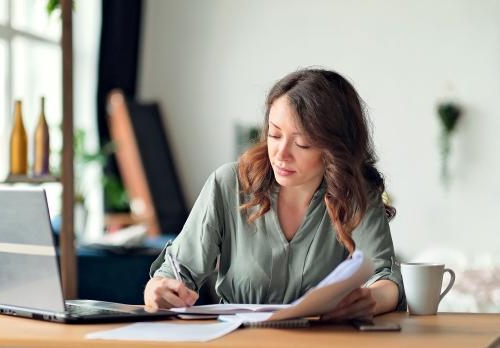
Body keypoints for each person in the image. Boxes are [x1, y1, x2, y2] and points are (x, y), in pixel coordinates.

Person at [144, 68, 405, 320]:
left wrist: (371, 299)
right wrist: (158, 289)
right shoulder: (228, 184)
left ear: (335, 149)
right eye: (274, 134)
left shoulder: (356, 193)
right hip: (239, 341)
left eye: (302, 143)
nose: (281, 154)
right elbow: (176, 271)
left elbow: (384, 277)